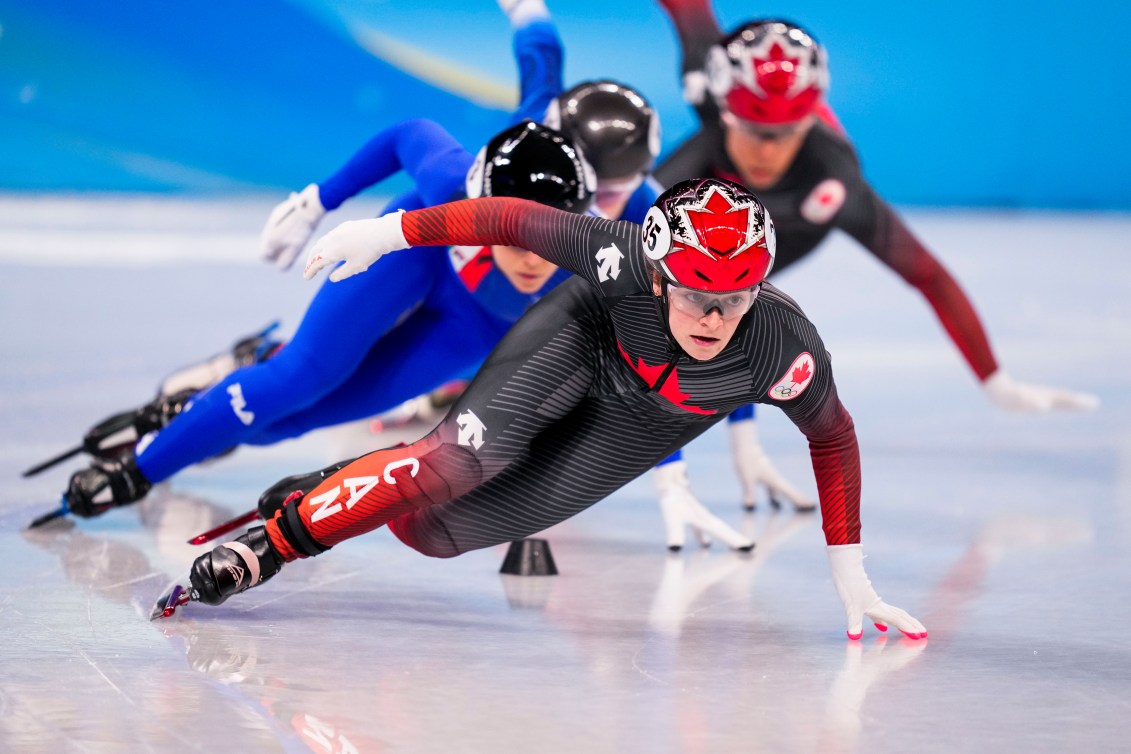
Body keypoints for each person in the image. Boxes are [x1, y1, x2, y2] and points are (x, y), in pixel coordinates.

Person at [187, 176, 928, 642]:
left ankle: (358, 481)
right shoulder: (623, 254)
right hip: (583, 338)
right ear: (660, 275)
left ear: (757, 290)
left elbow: (833, 440)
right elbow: (512, 218)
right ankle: (273, 545)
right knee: (456, 461)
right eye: (695, 296)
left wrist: (849, 570)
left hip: (647, 421)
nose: (711, 318)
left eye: (732, 301)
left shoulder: (782, 348)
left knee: (436, 532)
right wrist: (387, 232)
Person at [62, 120, 595, 518]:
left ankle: (205, 406)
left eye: (547, 238)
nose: (533, 259)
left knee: (297, 419)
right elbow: (409, 133)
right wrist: (318, 200)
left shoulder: (595, 258)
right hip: (412, 253)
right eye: (514, 235)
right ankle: (139, 468)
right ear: (481, 211)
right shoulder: (452, 186)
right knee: (300, 379)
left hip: (474, 321)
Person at [653, 1, 1098, 413]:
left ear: (810, 119)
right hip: (715, 170)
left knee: (718, 301)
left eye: (786, 133)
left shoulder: (833, 180)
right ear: (725, 109)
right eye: (754, 129)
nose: (767, 153)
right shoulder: (709, 84)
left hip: (799, 225)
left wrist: (997, 382)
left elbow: (928, 276)